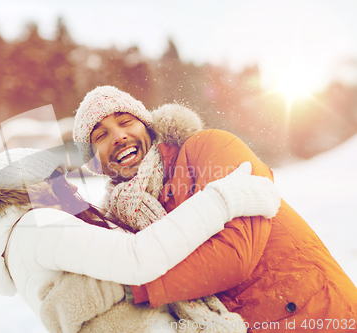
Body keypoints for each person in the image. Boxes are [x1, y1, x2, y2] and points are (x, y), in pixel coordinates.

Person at [72, 85, 357, 331]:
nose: (119, 136)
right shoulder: (119, 218)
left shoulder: (208, 146)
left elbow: (236, 254)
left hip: (319, 316)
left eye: (125, 121)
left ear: (147, 126)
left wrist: (133, 288)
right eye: (100, 136)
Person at [0, 140, 280, 332]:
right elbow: (137, 258)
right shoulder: (37, 226)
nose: (72, 186)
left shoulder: (19, 238)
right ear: (31, 187)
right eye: (58, 179)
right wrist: (222, 200)